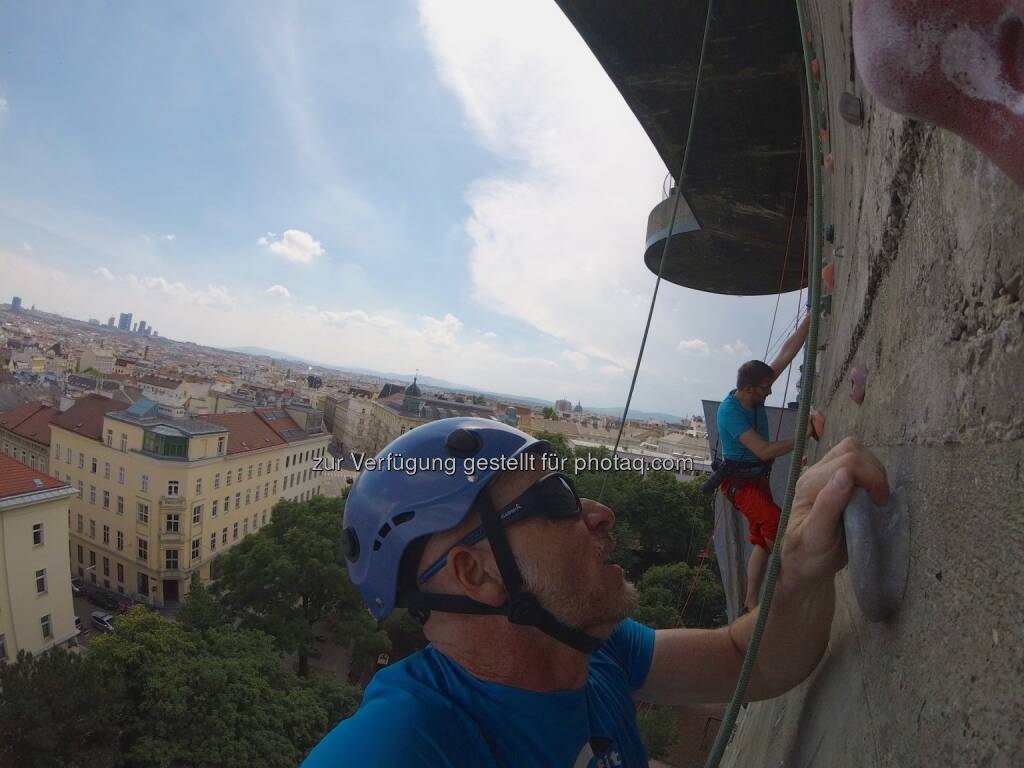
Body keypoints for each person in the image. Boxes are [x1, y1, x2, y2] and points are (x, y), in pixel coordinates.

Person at [303, 417, 886, 767]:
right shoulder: (400, 747)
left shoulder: (591, 651)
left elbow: (746, 662)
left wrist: (802, 569)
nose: (601, 513)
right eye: (556, 500)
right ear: (475, 573)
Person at [714, 315, 822, 611]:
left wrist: (810, 318)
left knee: (762, 540)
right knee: (777, 523)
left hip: (756, 478)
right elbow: (762, 450)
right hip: (740, 484)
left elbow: (787, 352)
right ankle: (792, 584)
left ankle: (751, 600)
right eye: (765, 388)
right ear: (748, 389)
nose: (770, 392)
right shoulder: (729, 413)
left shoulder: (754, 391)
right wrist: (805, 435)